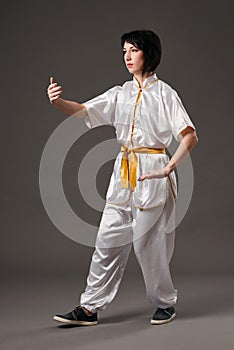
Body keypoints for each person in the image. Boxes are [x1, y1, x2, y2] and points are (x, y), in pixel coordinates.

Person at [47, 30, 198, 326]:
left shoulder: (165, 94)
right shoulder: (121, 93)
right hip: (123, 171)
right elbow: (84, 111)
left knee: (148, 244)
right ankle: (89, 308)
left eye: (134, 50)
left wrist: (169, 168)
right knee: (106, 238)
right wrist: (58, 103)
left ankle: (165, 303)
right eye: (124, 50)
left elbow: (190, 135)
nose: (127, 56)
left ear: (149, 53)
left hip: (153, 170)